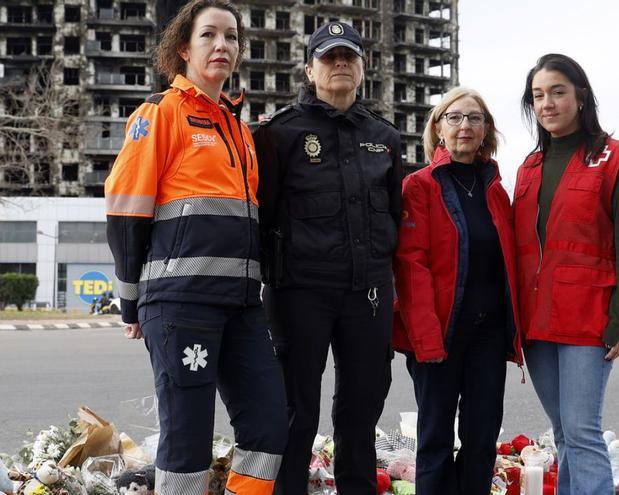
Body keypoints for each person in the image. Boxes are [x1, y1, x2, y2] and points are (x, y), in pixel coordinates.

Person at [104, 1, 287, 493]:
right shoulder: (160, 115)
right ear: (183, 48)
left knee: (270, 428)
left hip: (243, 304)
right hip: (182, 302)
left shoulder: (239, 129)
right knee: (188, 439)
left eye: (231, 37)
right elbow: (126, 209)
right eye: (209, 35)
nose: (222, 46)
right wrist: (130, 301)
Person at [252, 22, 404, 494]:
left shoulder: (385, 138)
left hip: (369, 294)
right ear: (308, 69)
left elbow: (395, 216)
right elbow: (263, 216)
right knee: (295, 412)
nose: (340, 64)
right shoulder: (279, 134)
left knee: (361, 411)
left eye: (349, 57)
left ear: (362, 69)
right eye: (328, 57)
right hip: (300, 293)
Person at [513, 53, 619, 495]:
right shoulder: (529, 167)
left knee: (583, 431)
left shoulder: (615, 158)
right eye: (538, 95)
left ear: (581, 96)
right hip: (536, 319)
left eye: (557, 92)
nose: (547, 103)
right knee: (564, 432)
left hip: (588, 316)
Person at [392, 87, 522, 495]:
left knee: (482, 440)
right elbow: (411, 265)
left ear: (486, 130)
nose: (465, 125)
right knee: (434, 443)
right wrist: (427, 339)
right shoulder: (419, 186)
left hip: (488, 335)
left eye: (475, 118)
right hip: (439, 336)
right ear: (438, 127)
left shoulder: (496, 191)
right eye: (455, 117)